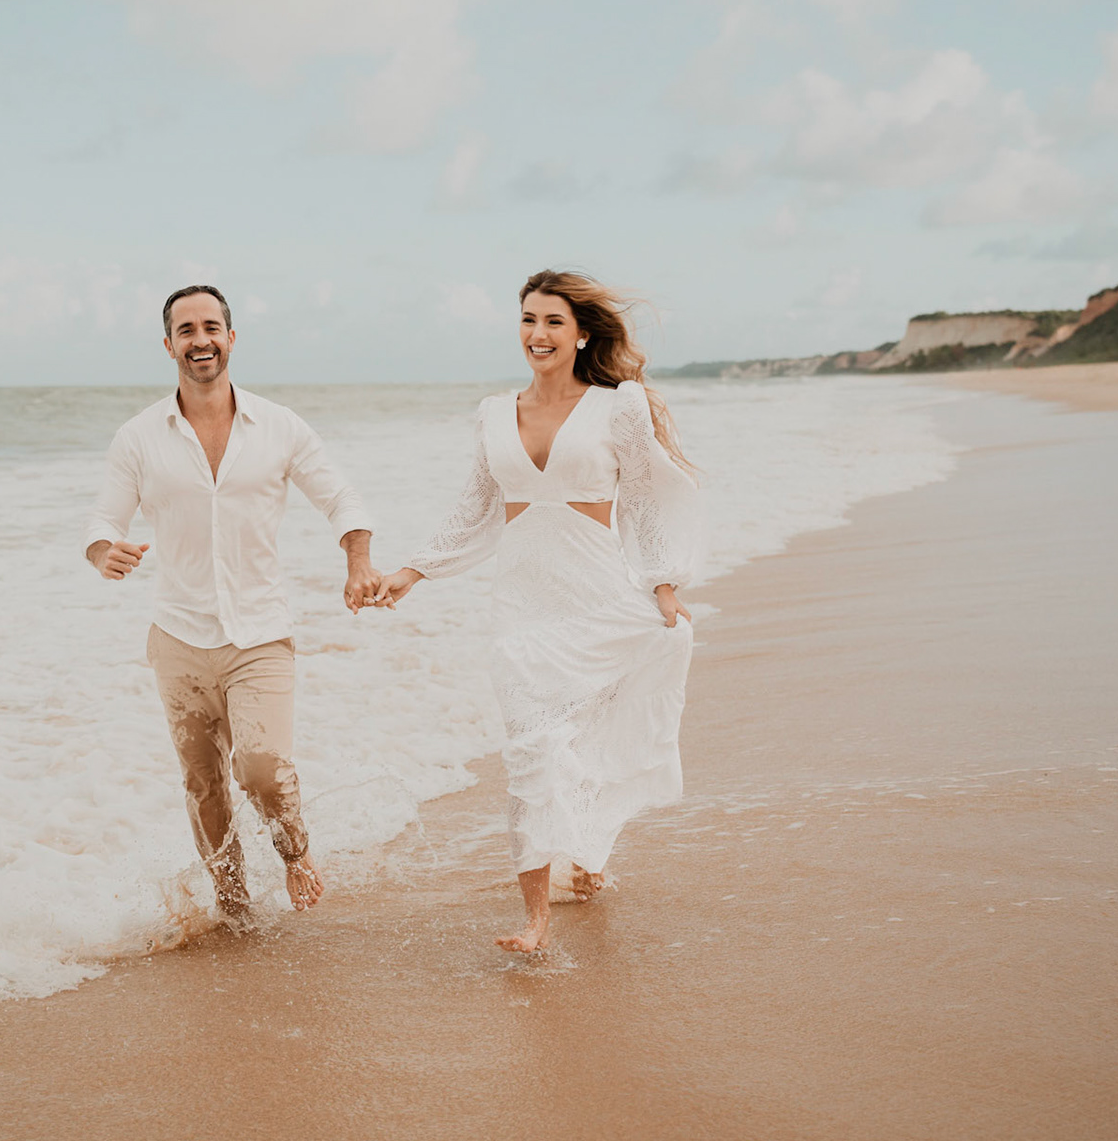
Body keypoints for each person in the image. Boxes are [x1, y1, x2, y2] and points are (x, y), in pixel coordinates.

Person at [379, 270, 700, 953]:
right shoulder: (494, 412)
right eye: (528, 320)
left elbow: (643, 501)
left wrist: (664, 586)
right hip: (521, 605)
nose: (539, 334)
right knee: (530, 747)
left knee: (583, 736)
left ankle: (588, 847)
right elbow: (474, 507)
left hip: (598, 594)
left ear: (582, 333)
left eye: (554, 321)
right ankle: (534, 921)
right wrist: (412, 571)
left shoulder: (619, 406)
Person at [85, 284, 382, 926]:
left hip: (260, 638)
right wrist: (102, 552)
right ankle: (233, 903)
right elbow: (102, 522)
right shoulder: (139, 436)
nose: (201, 340)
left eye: (212, 326)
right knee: (204, 786)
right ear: (169, 345)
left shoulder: (278, 426)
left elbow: (343, 499)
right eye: (186, 330)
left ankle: (295, 851)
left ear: (232, 337)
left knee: (263, 769)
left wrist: (357, 561)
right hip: (178, 640)